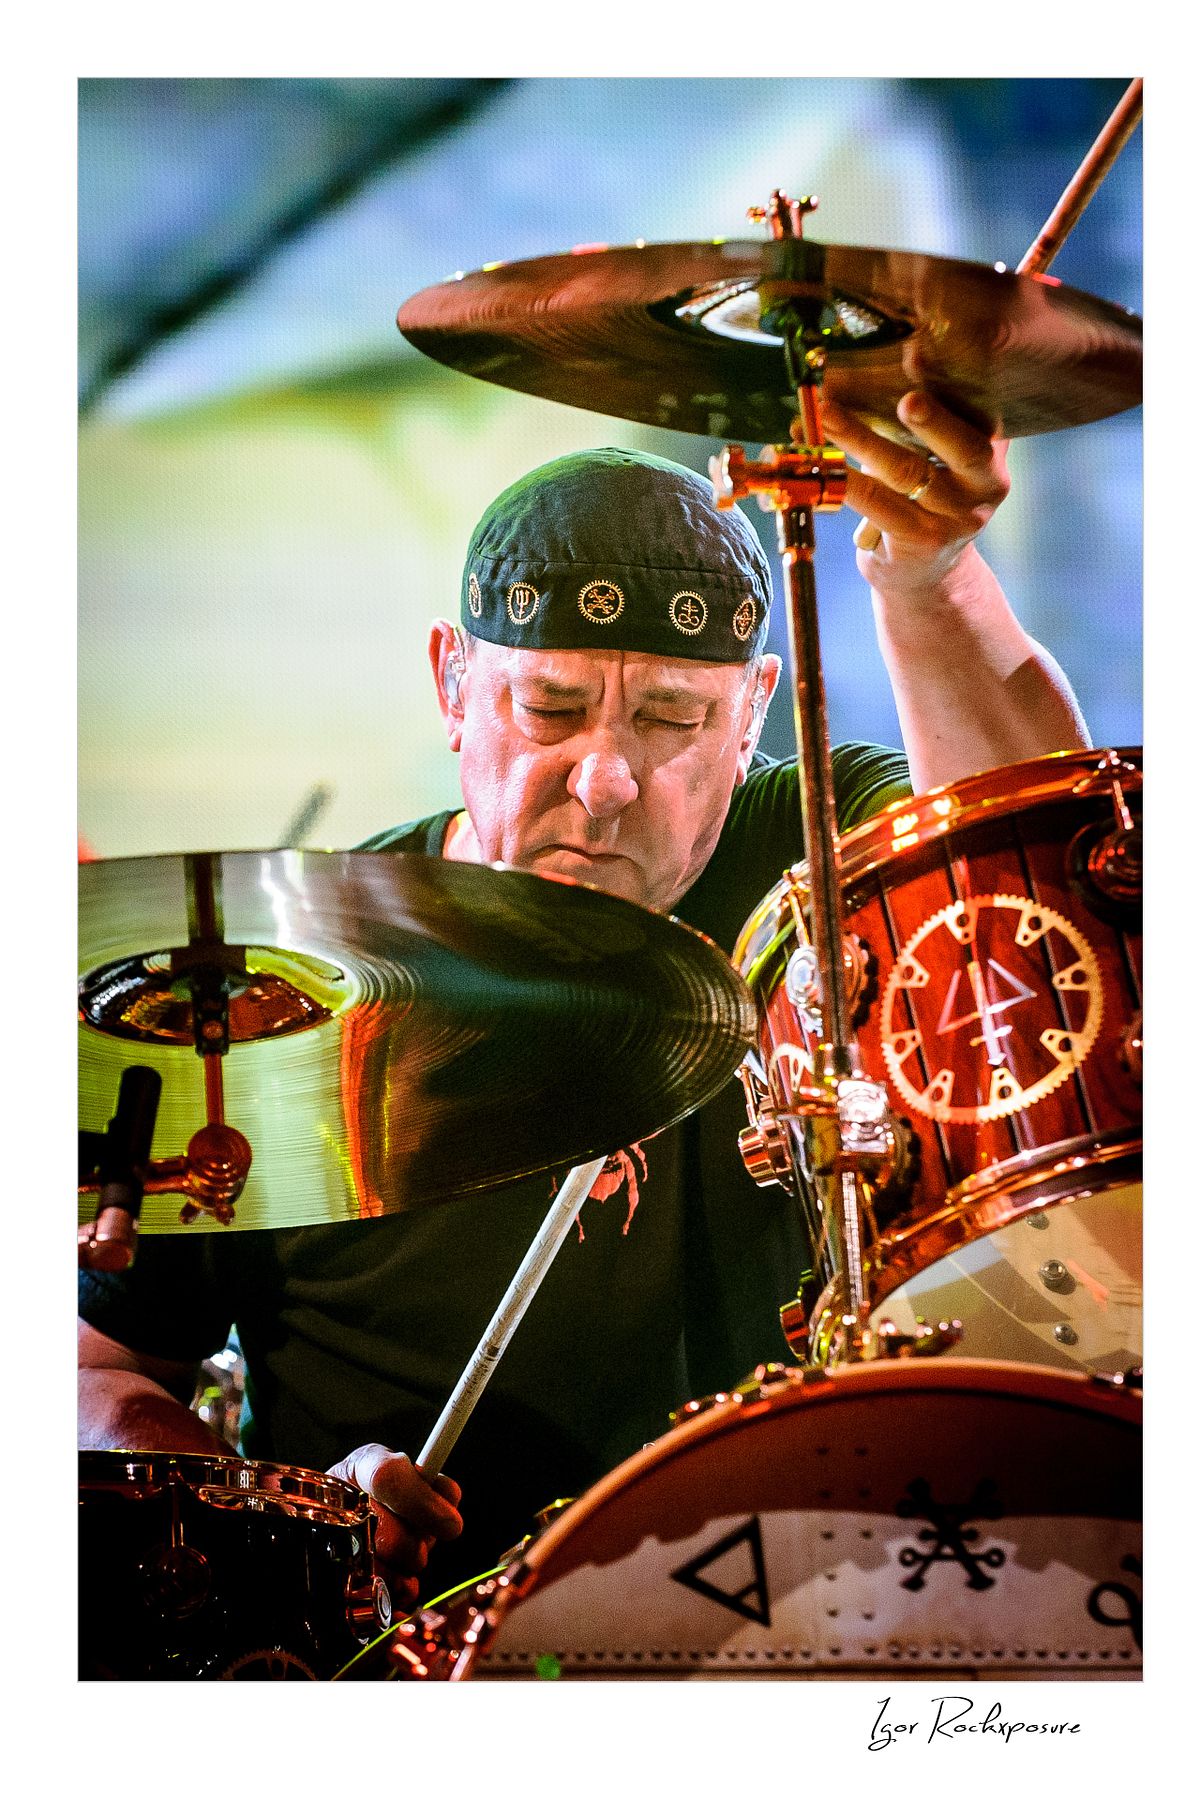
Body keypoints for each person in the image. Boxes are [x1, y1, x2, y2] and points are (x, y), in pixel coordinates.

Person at [79, 392, 1090, 1609]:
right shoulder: (289, 985)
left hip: (813, 1623)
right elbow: (90, 1369)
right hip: (422, 1672)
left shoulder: (807, 844)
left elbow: (1028, 847)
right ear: (453, 681)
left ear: (756, 708)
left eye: (674, 719)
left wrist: (931, 583)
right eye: (548, 709)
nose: (606, 780)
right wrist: (285, 1527)